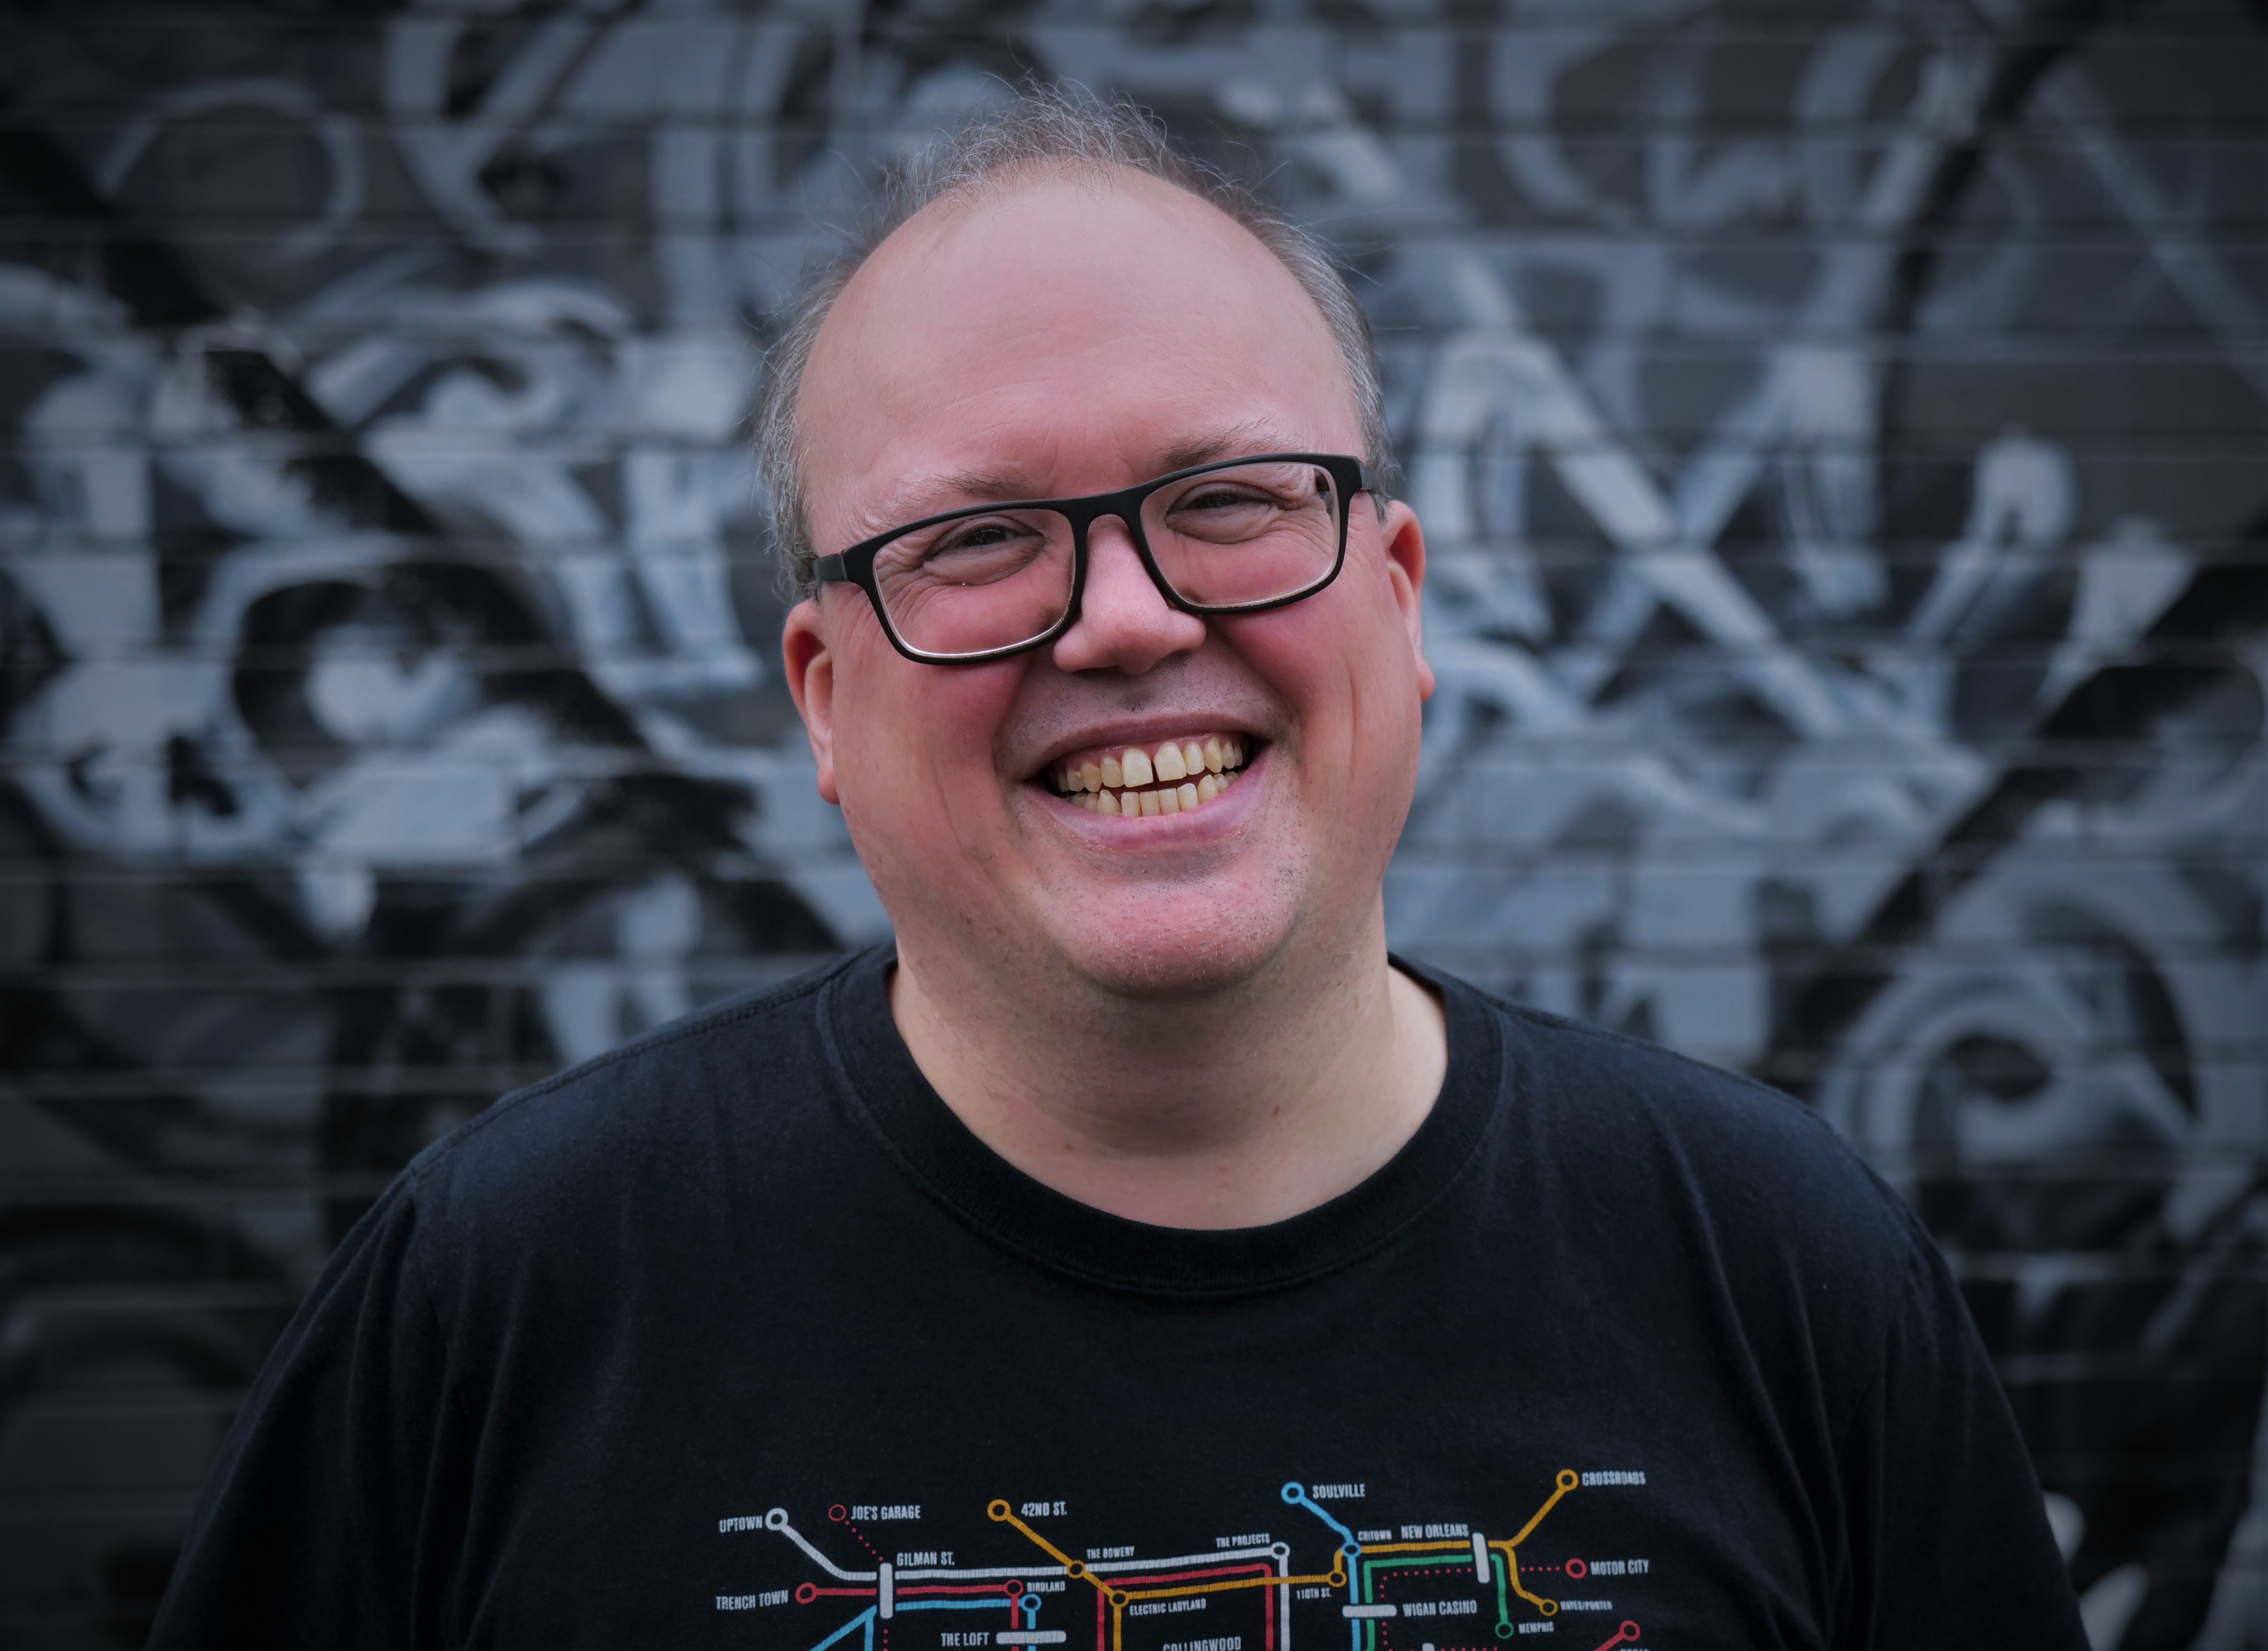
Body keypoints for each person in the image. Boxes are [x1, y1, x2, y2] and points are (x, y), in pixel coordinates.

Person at [150, 89, 2084, 1649]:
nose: (1128, 618)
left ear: (1399, 596)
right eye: (976, 540)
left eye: (1227, 499)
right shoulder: (506, 1298)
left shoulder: (1777, 1269)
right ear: (824, 694)